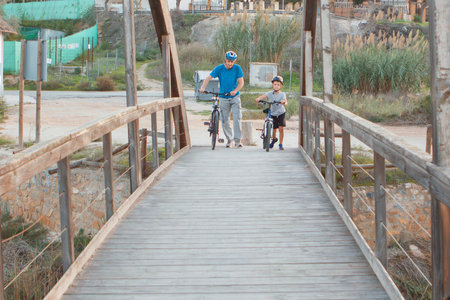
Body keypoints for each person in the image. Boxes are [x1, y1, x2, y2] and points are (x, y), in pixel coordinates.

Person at [199, 50, 245, 148]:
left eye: (232, 61)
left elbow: (241, 83)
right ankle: (229, 139)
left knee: (237, 119)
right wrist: (203, 88)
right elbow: (208, 78)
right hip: (223, 97)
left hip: (235, 97)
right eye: (228, 61)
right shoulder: (219, 68)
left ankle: (238, 141)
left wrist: (235, 90)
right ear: (225, 60)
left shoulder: (237, 68)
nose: (230, 63)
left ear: (235, 61)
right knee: (225, 120)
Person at [255, 75, 288, 150]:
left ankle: (280, 144)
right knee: (274, 129)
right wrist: (258, 99)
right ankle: (274, 139)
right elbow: (262, 96)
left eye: (278, 85)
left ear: (281, 86)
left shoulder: (282, 94)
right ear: (272, 85)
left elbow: (285, 101)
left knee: (281, 128)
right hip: (273, 112)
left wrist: (284, 102)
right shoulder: (269, 93)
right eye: (275, 84)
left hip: (280, 113)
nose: (276, 86)